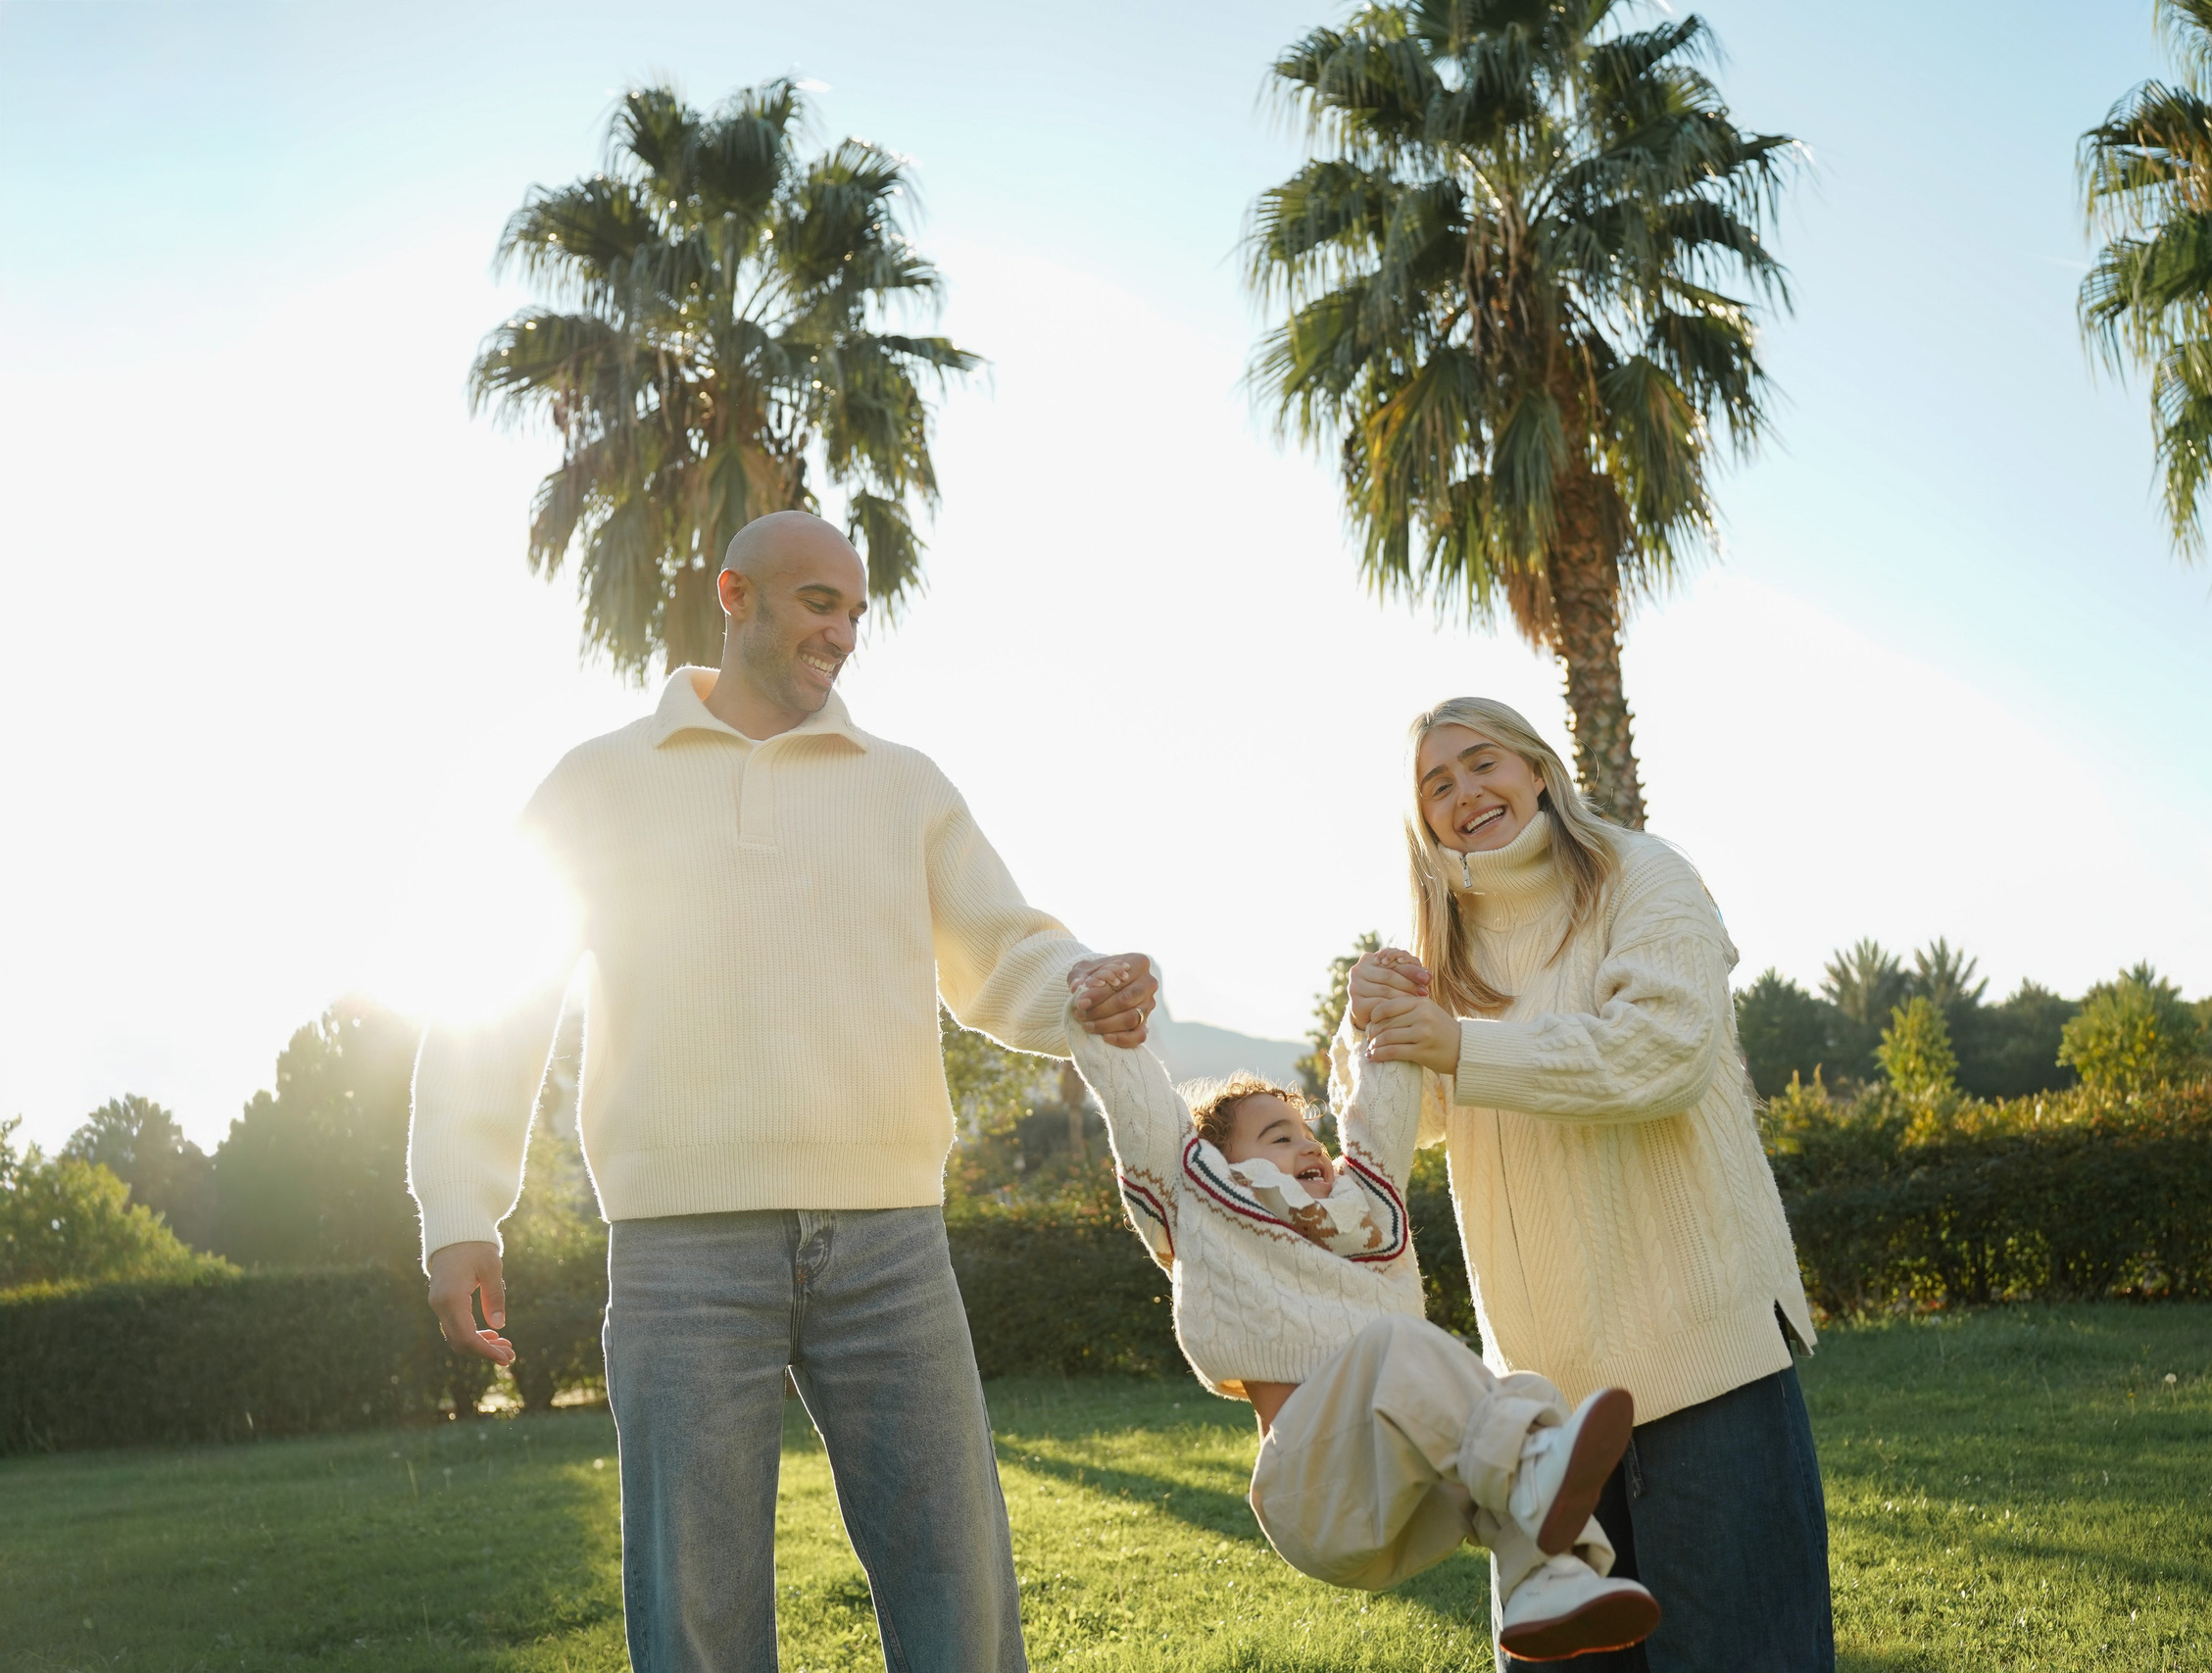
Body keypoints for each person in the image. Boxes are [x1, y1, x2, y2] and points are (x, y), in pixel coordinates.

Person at [407, 511, 1156, 1673]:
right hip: (680, 1257)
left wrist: (1082, 985)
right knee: (695, 1623)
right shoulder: (599, 783)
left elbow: (1001, 952)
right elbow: (496, 999)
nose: (844, 632)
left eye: (857, 612)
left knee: (960, 1601)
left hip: (889, 1246)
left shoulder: (903, 786)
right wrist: (460, 1208)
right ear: (735, 593)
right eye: (820, 602)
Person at [1347, 696, 1834, 1672]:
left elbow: (1664, 1051)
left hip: (1706, 1363)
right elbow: (1396, 1136)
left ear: (1537, 768)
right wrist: (1366, 1033)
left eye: (1480, 763)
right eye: (1434, 785)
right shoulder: (1436, 954)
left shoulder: (1642, 875)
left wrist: (1457, 1043)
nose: (1463, 793)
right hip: (1538, 1418)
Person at [1063, 997, 1660, 1659]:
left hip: (1409, 1504)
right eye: (1278, 1136)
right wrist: (1110, 1035)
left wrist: (1385, 1012)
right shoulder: (1199, 1202)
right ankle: (1534, 1474)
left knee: (1525, 1393)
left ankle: (1546, 1580)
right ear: (1218, 1162)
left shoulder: (1363, 1212)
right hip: (1311, 1489)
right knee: (1405, 1353)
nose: (1307, 1144)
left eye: (1306, 1131)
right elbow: (1141, 1114)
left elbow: (1380, 1116)